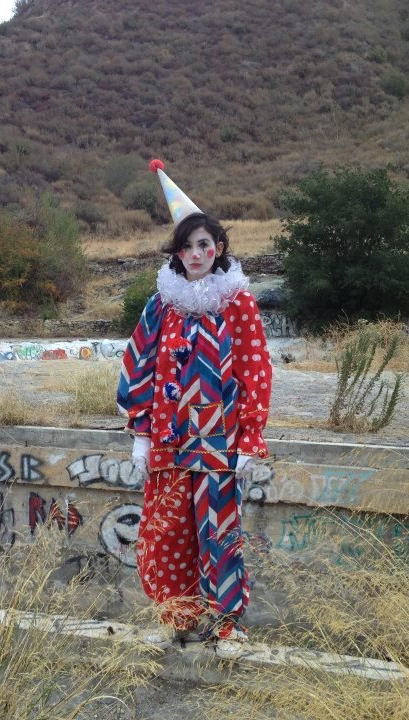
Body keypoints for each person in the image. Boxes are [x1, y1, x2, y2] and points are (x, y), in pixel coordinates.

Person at [117, 159, 272, 647]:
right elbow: (138, 364)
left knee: (219, 535)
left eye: (204, 244)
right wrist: (141, 434)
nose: (195, 254)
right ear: (177, 253)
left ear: (218, 247)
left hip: (220, 444)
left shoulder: (238, 303)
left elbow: (254, 369)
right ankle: (179, 618)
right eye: (186, 247)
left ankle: (226, 624)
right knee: (167, 534)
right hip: (169, 441)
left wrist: (250, 436)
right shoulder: (161, 304)